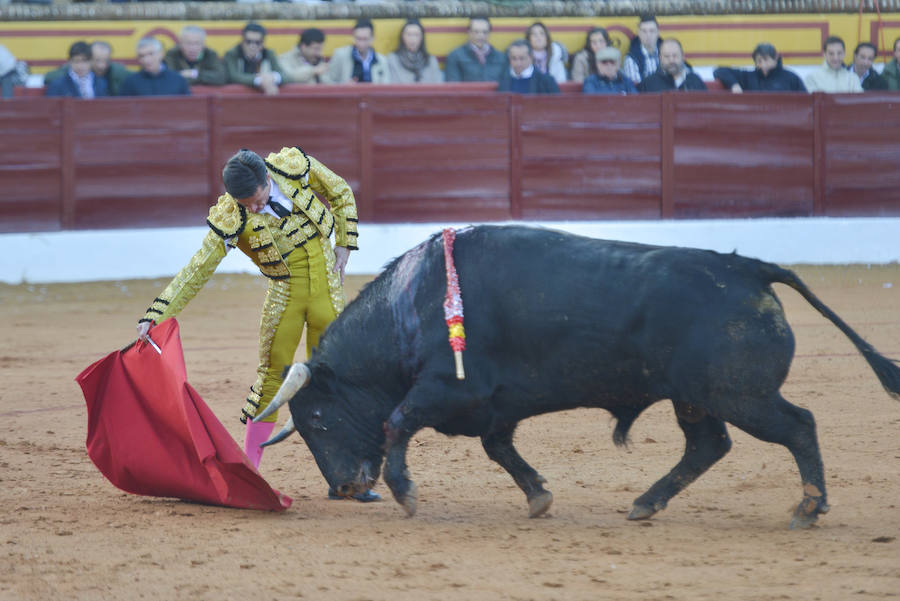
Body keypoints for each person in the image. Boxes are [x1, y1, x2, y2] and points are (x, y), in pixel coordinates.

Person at [134, 147, 378, 502]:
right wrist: (155, 314)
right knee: (270, 383)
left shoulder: (292, 168)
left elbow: (340, 191)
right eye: (244, 203)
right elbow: (196, 270)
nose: (252, 208)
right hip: (286, 301)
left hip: (329, 294)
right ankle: (249, 473)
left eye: (256, 199)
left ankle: (347, 478)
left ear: (268, 179)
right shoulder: (232, 217)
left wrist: (345, 244)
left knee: (333, 384)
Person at [713, 43, 806, 92]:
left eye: (766, 60)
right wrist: (734, 84)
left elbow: (805, 102)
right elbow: (719, 71)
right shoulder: (749, 77)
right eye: (759, 61)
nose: (762, 65)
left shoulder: (791, 78)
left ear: (776, 58)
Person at [224, 22, 285, 95]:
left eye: (257, 42)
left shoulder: (268, 54)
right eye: (248, 42)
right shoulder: (232, 54)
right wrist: (259, 81)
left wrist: (272, 77)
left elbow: (284, 75)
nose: (252, 46)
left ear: (263, 43)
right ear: (242, 42)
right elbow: (233, 76)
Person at [324, 19, 390, 84]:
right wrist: (344, 87)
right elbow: (328, 82)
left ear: (372, 39)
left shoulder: (381, 60)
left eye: (365, 39)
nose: (361, 43)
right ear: (353, 37)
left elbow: (386, 86)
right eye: (358, 38)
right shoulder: (340, 55)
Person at [119, 38, 190, 97]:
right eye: (141, 56)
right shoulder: (131, 82)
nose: (146, 60)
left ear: (161, 54)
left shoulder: (178, 80)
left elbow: (188, 108)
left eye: (151, 54)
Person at [444, 16, 507, 82]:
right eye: (476, 32)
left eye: (484, 32)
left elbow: (506, 86)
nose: (481, 36)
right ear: (469, 32)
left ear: (489, 33)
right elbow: (453, 86)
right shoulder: (455, 57)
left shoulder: (501, 58)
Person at [386, 18, 443, 84]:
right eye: (409, 34)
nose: (412, 39)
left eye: (416, 35)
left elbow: (437, 85)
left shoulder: (431, 60)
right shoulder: (393, 59)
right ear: (402, 37)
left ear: (422, 37)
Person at [639, 39, 707, 92]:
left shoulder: (695, 81)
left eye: (675, 56)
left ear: (683, 57)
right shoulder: (648, 84)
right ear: (660, 58)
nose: (671, 60)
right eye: (666, 56)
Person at [623, 15, 661, 86]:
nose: (648, 35)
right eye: (644, 31)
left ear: (658, 33)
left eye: (652, 31)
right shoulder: (631, 59)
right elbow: (637, 89)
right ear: (639, 33)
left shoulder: (667, 53)